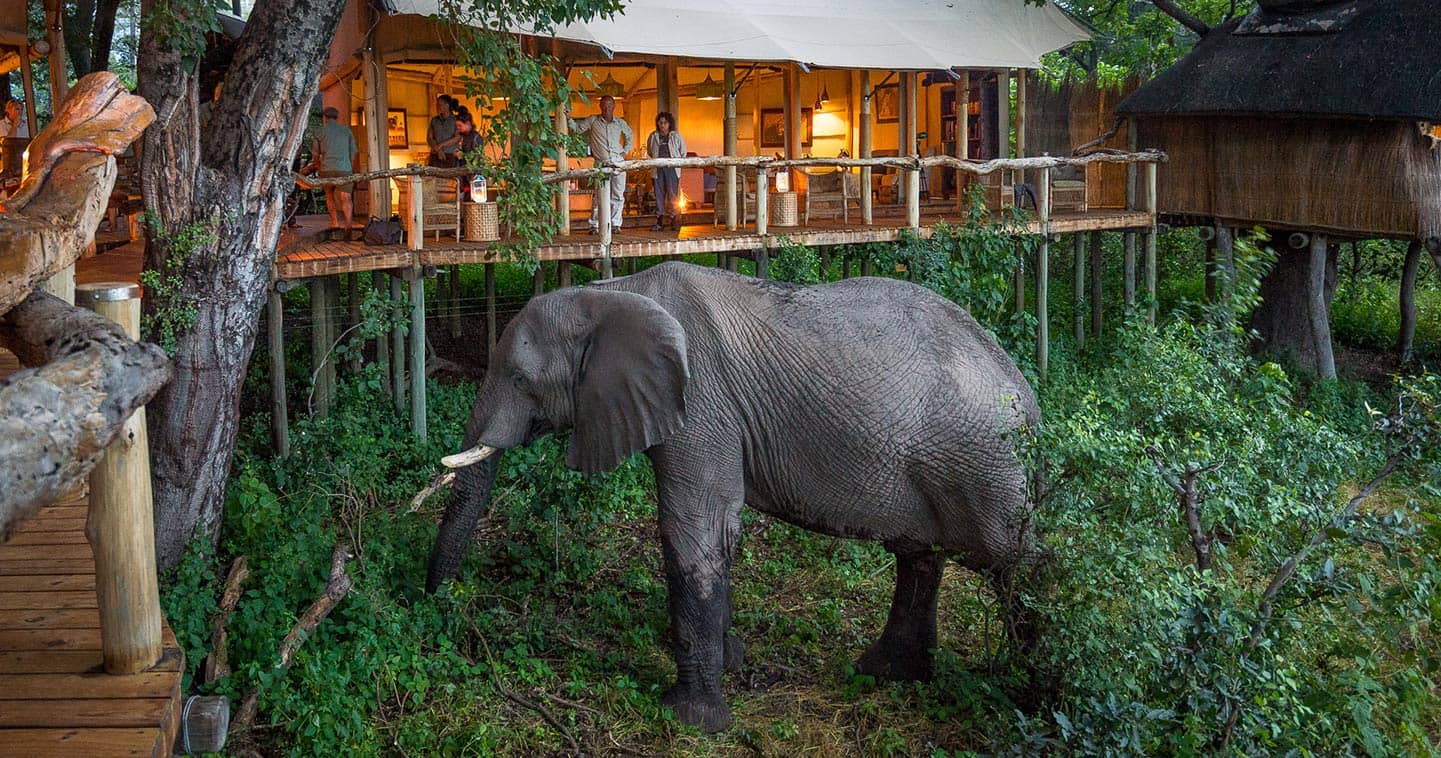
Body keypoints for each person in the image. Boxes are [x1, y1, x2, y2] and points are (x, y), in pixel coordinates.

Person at [568, 95, 633, 234]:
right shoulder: (593, 120)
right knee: (599, 195)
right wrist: (568, 118)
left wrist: (625, 152)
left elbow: (629, 136)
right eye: (604, 105)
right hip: (601, 163)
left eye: (609, 105)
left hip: (618, 162)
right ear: (600, 107)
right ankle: (595, 224)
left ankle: (616, 224)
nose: (606, 108)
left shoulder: (620, 122)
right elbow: (578, 129)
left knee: (617, 194)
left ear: (614, 106)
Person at [311, 106, 359, 241]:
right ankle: (348, 226)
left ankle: (335, 222)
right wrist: (352, 169)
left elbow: (315, 154)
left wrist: (319, 167)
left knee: (329, 195)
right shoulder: (346, 131)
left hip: (327, 169)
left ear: (325, 118)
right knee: (346, 198)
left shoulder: (319, 131)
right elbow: (354, 153)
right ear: (337, 117)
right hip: (345, 169)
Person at [645, 111, 685, 231]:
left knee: (673, 194)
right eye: (660, 123)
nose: (663, 125)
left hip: (672, 168)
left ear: (669, 124)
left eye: (665, 123)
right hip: (658, 168)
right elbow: (650, 151)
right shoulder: (653, 136)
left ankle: (675, 219)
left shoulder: (675, 136)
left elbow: (683, 152)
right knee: (659, 194)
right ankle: (660, 220)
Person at [426, 95, 459, 167]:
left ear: (447, 105)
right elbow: (429, 138)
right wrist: (438, 150)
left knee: (451, 177)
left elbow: (457, 138)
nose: (437, 107)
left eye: (439, 105)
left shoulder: (456, 120)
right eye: (436, 105)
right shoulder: (434, 120)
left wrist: (441, 145)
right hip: (435, 155)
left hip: (450, 155)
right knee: (432, 177)